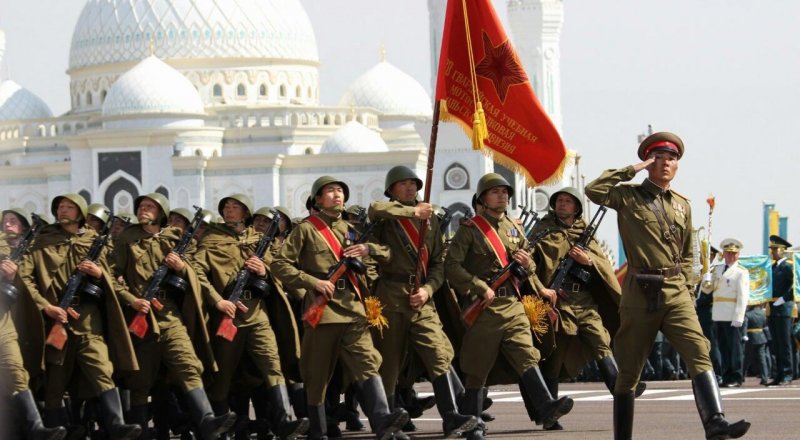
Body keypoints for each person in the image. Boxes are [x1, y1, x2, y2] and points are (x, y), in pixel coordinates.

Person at [585, 132, 750, 439]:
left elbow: (688, 252)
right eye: (658, 158)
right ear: (649, 162)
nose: (665, 163)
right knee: (629, 373)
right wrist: (632, 169)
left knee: (699, 350)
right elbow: (593, 190)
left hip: (676, 291)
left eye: (671, 159)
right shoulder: (628, 196)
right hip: (639, 291)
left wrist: (686, 289)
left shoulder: (682, 206)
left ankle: (715, 422)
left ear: (677, 166)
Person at [271, 175, 408, 440]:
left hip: (353, 309)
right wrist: (313, 282)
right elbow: (280, 264)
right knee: (318, 374)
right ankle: (319, 431)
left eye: (340, 191)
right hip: (324, 312)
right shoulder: (307, 229)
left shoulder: (350, 230)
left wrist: (368, 249)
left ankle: (383, 423)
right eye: (330, 191)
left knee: (368, 362)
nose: (337, 195)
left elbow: (386, 254)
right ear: (317, 199)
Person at [444, 173, 573, 439]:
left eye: (505, 192)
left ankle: (546, 405)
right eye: (495, 192)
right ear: (483, 198)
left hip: (513, 304)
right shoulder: (470, 229)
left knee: (527, 355)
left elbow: (532, 268)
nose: (502, 195)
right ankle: (472, 421)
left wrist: (530, 267)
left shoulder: (515, 228)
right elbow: (452, 266)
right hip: (485, 306)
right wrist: (479, 286)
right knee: (478, 368)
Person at [111, 192, 236, 440]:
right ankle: (141, 433)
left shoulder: (175, 238)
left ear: (161, 213)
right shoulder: (127, 238)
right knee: (141, 381)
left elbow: (196, 275)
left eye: (150, 206)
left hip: (169, 315)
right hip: (141, 317)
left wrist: (181, 267)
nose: (143, 209)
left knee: (189, 366)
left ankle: (207, 420)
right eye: (141, 206)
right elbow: (112, 277)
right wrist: (132, 300)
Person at [368, 165, 477, 438]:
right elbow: (375, 208)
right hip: (390, 295)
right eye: (402, 184)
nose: (410, 188)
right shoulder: (387, 215)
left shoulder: (431, 219)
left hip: (421, 299)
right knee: (389, 362)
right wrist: (412, 212)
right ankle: (389, 422)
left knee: (439, 354)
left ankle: (451, 416)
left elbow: (439, 262)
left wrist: (429, 289)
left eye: (413, 183)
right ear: (391, 189)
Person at [19, 194, 141, 439]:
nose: (63, 210)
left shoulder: (96, 241)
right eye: (60, 206)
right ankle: (56, 430)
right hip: (55, 319)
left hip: (87, 319)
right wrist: (46, 306)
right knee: (56, 379)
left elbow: (114, 274)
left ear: (81, 213)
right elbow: (25, 278)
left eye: (70, 207)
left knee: (101, 369)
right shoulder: (42, 241)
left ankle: (117, 425)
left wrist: (98, 272)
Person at [193, 193, 308, 440]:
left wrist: (264, 270)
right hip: (229, 315)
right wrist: (219, 301)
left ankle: (284, 421)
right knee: (223, 375)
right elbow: (198, 275)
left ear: (246, 212)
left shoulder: (259, 240)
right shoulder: (212, 238)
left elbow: (280, 270)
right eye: (226, 207)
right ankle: (219, 427)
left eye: (235, 207)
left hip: (257, 314)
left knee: (272, 366)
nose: (229, 210)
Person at [530, 187, 644, 430]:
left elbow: (602, 266)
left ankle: (620, 390)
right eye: (559, 200)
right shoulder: (542, 230)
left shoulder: (586, 233)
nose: (562, 204)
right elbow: (530, 264)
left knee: (600, 340)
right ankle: (550, 414)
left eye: (568, 201)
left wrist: (588, 261)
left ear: (577, 207)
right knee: (554, 355)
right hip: (556, 301)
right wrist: (542, 289)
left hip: (584, 299)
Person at [1, 208, 67, 440]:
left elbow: (32, 286)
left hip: (9, 321)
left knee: (16, 370)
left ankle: (36, 428)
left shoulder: (30, 252)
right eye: (5, 221)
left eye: (14, 221)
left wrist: (11, 277)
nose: (8, 225)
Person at [701, 238, 749, 387]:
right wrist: (706, 279)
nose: (731, 256)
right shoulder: (718, 269)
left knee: (734, 348)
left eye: (734, 253)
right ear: (724, 254)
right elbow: (707, 290)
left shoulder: (741, 272)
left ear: (738, 255)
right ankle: (727, 375)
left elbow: (743, 296)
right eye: (728, 253)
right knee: (723, 347)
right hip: (718, 313)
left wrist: (739, 316)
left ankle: (736, 376)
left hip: (732, 314)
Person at [766, 235, 794, 386]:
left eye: (776, 249)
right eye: (772, 249)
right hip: (772, 308)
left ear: (783, 250)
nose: (773, 252)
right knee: (775, 343)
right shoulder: (772, 267)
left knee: (784, 344)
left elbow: (796, 286)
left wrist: (783, 299)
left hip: (784, 309)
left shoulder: (788, 266)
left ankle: (787, 373)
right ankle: (779, 374)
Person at [696, 246, 723, 383]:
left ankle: (717, 372)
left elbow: (712, 293)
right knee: (703, 344)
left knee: (712, 343)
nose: (702, 257)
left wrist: (696, 302)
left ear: (712, 256)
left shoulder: (716, 271)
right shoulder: (701, 271)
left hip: (709, 311)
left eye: (706, 255)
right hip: (699, 311)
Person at [743, 304, 770, 385]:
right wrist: (768, 337)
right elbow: (765, 326)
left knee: (746, 359)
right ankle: (764, 378)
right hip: (761, 337)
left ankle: (741, 376)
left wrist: (744, 335)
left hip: (750, 337)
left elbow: (745, 326)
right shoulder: (762, 313)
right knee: (762, 359)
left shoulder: (747, 314)